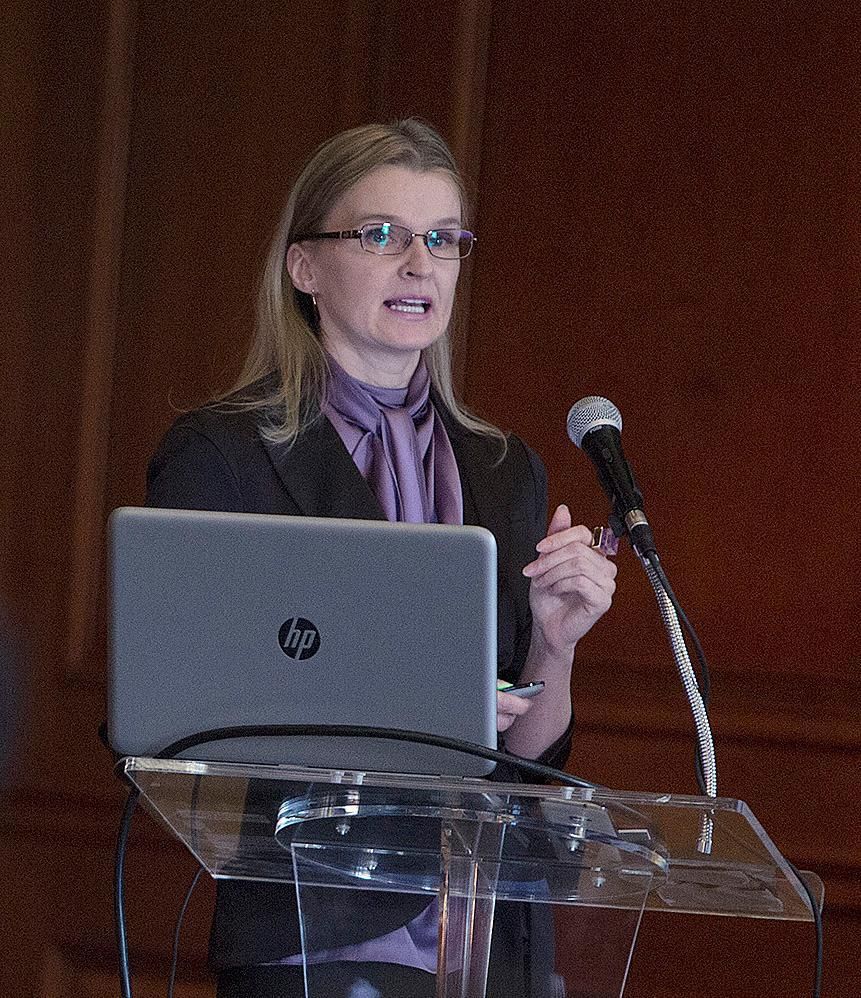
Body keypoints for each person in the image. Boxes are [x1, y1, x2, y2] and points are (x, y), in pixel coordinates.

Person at [146, 118, 617, 998]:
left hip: (487, 936)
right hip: (313, 932)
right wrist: (408, 701)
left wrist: (554, 646)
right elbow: (182, 717)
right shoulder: (224, 458)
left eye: (442, 240)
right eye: (381, 235)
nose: (418, 264)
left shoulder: (504, 470)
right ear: (305, 267)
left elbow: (527, 758)